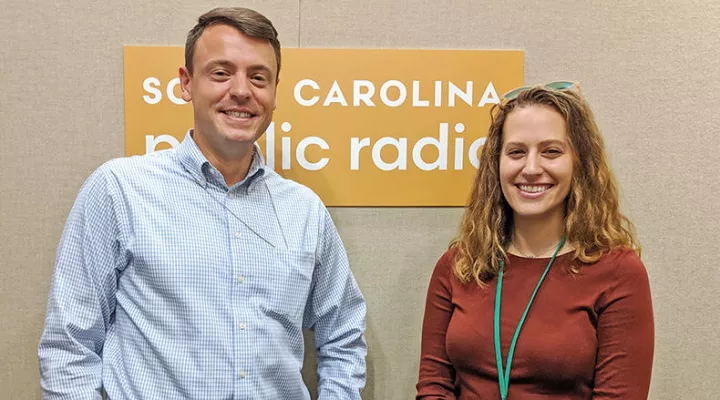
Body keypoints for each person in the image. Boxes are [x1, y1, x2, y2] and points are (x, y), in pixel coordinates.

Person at [38, 7, 366, 399]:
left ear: (275, 93)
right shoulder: (119, 190)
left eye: (258, 77)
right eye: (221, 73)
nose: (242, 91)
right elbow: (69, 346)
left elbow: (344, 334)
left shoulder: (304, 211)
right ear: (186, 83)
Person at [416, 82, 654, 399]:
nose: (531, 168)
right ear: (495, 164)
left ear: (578, 162)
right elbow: (434, 386)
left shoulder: (618, 272)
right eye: (516, 152)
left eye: (551, 151)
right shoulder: (459, 265)